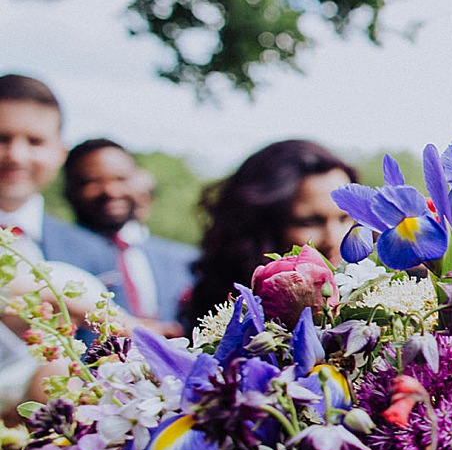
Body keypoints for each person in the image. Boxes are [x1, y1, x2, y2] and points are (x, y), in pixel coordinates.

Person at [183, 140, 358, 325]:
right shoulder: (218, 316)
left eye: (344, 218)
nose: (334, 239)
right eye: (308, 222)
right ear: (261, 226)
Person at [62, 138, 198, 332]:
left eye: (121, 179)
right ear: (69, 190)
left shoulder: (183, 259)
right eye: (93, 181)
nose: (111, 190)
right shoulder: (54, 256)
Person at [0, 74, 116, 276]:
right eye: (2, 139)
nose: (16, 156)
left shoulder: (94, 254)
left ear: (61, 152)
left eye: (35, 141)